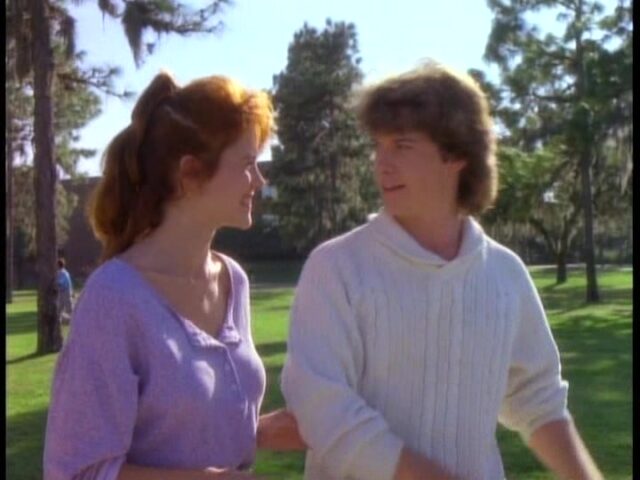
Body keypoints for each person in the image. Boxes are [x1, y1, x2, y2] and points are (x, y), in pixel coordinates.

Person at [281, 61, 603, 480]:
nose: (382, 163)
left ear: (456, 154)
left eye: (402, 145)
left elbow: (538, 401)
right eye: (378, 145)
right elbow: (324, 409)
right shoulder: (336, 268)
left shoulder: (504, 275)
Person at [44, 71, 304, 480]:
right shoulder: (113, 298)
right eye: (247, 164)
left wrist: (267, 430)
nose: (259, 180)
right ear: (190, 174)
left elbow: (183, 425)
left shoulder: (233, 280)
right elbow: (79, 471)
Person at [56, 258, 74, 325]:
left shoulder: (63, 273)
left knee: (69, 308)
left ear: (58, 265)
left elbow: (60, 282)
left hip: (66, 292)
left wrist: (54, 283)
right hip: (61, 292)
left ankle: (75, 321)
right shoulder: (60, 272)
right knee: (59, 308)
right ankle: (58, 322)